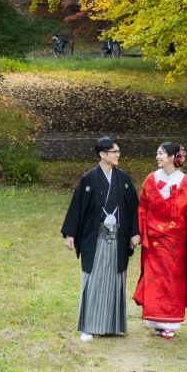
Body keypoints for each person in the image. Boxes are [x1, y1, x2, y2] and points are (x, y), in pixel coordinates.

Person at [61, 136, 140, 341]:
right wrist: (70, 233)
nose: (117, 155)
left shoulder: (123, 179)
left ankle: (112, 325)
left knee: (116, 278)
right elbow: (77, 207)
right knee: (94, 278)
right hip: (94, 237)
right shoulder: (88, 178)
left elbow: (133, 207)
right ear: (102, 154)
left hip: (118, 236)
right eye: (114, 152)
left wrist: (134, 232)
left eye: (118, 151)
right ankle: (89, 325)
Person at [133, 140, 187, 339]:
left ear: (172, 157)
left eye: (161, 153)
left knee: (172, 281)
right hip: (153, 239)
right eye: (157, 153)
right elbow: (142, 206)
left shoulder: (184, 181)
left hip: (175, 241)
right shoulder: (151, 179)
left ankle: (170, 322)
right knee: (154, 279)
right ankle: (155, 320)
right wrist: (138, 230)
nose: (157, 156)